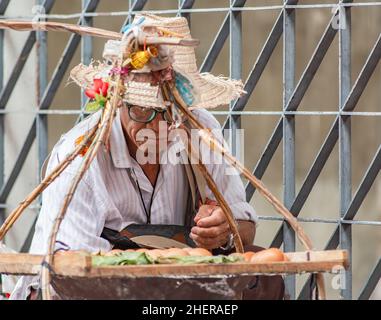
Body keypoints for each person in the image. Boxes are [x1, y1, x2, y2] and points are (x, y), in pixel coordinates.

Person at [10, 14, 284, 300]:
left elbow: (245, 227)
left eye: (168, 112)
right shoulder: (80, 156)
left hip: (173, 284)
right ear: (117, 103)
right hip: (89, 289)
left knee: (263, 273)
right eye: (141, 111)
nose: (156, 126)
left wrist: (225, 228)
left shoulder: (200, 131)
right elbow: (71, 273)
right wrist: (151, 265)